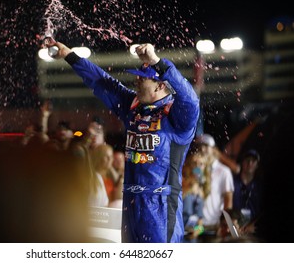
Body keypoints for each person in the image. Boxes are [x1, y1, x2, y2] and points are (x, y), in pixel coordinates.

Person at [46, 40, 200, 243]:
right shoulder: (133, 108)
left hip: (161, 209)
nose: (136, 81)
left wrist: (157, 62)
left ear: (160, 85)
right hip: (130, 205)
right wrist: (69, 55)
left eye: (142, 79)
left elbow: (190, 99)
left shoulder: (177, 117)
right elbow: (101, 82)